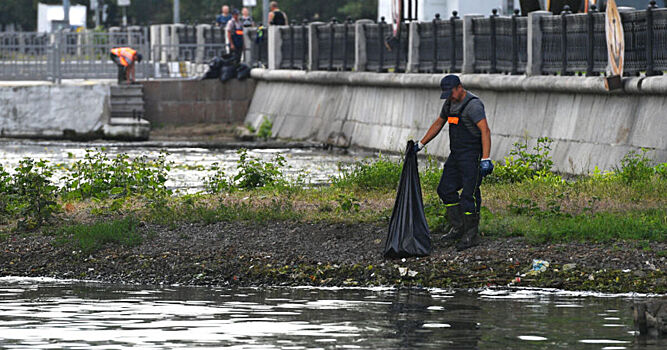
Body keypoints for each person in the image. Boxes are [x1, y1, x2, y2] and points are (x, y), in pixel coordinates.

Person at [413, 75, 494, 251]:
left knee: (468, 195)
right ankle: (458, 227)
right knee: (445, 189)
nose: (449, 97)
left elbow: (485, 131)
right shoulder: (449, 104)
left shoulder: (473, 105)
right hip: (456, 155)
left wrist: (486, 158)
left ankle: (470, 234)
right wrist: (421, 144)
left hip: (472, 156)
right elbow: (438, 123)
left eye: (451, 93)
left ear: (459, 87)